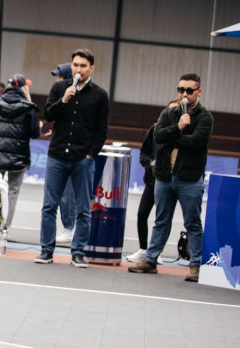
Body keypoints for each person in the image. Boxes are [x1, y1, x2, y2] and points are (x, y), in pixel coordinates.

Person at [129, 74, 213, 282]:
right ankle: (150, 260)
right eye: (181, 89)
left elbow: (196, 142)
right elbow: (158, 136)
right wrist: (179, 127)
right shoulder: (169, 112)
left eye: (189, 90)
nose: (184, 94)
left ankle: (196, 266)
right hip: (165, 176)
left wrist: (173, 136)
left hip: (189, 178)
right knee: (161, 220)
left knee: (192, 222)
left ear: (198, 92)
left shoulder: (205, 117)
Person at [36, 48, 109, 268]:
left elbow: (101, 129)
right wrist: (64, 99)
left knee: (83, 209)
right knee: (49, 206)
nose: (78, 69)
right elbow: (48, 114)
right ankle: (46, 250)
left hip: (82, 159)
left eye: (83, 66)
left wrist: (90, 154)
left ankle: (78, 253)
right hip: (57, 155)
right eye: (75, 65)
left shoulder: (100, 95)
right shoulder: (60, 87)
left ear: (91, 68)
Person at [127, 98, 181, 263]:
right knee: (142, 213)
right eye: (169, 110)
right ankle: (143, 249)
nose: (172, 113)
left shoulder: (182, 133)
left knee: (163, 218)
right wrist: (150, 165)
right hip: (152, 180)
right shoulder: (155, 129)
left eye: (176, 111)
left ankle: (156, 252)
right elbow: (144, 152)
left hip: (170, 182)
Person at [0, 74, 40, 231]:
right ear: (23, 87)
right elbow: (35, 133)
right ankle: (5, 227)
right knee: (13, 190)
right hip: (19, 155)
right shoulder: (28, 107)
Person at [49, 62, 77, 245]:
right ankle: (67, 226)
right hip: (59, 149)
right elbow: (50, 113)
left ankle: (70, 227)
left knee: (69, 193)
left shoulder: (77, 94)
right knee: (56, 195)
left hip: (73, 152)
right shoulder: (60, 93)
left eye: (60, 75)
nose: (57, 79)